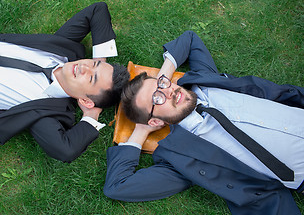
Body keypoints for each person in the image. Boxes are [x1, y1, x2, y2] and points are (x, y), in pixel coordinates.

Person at [103, 30, 304, 214]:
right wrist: (140, 131)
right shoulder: (181, 159)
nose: (168, 91)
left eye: (161, 84)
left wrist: (163, 75)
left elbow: (189, 39)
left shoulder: (203, 80)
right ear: (155, 121)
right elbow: (117, 186)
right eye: (157, 98)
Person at [0, 2, 129, 163]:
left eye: (91, 78)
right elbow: (98, 10)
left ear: (86, 101)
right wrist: (101, 64)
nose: (84, 68)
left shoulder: (45, 111)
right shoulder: (64, 48)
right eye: (93, 64)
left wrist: (91, 116)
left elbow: (66, 150)